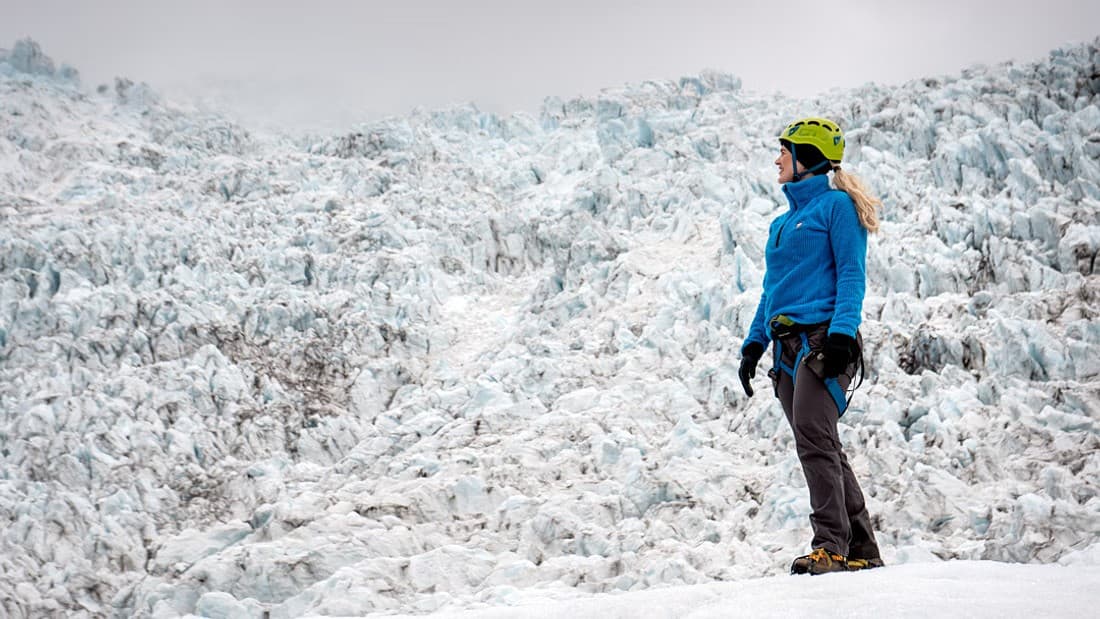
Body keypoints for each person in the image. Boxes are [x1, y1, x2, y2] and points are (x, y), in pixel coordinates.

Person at [738, 117, 884, 575]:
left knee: (814, 441)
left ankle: (831, 548)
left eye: (785, 150)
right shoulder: (781, 224)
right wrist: (753, 345)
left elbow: (852, 275)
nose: (777, 158)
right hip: (785, 349)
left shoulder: (836, 207)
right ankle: (862, 550)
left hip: (824, 339)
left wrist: (842, 335)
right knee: (822, 444)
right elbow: (771, 289)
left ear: (809, 158)